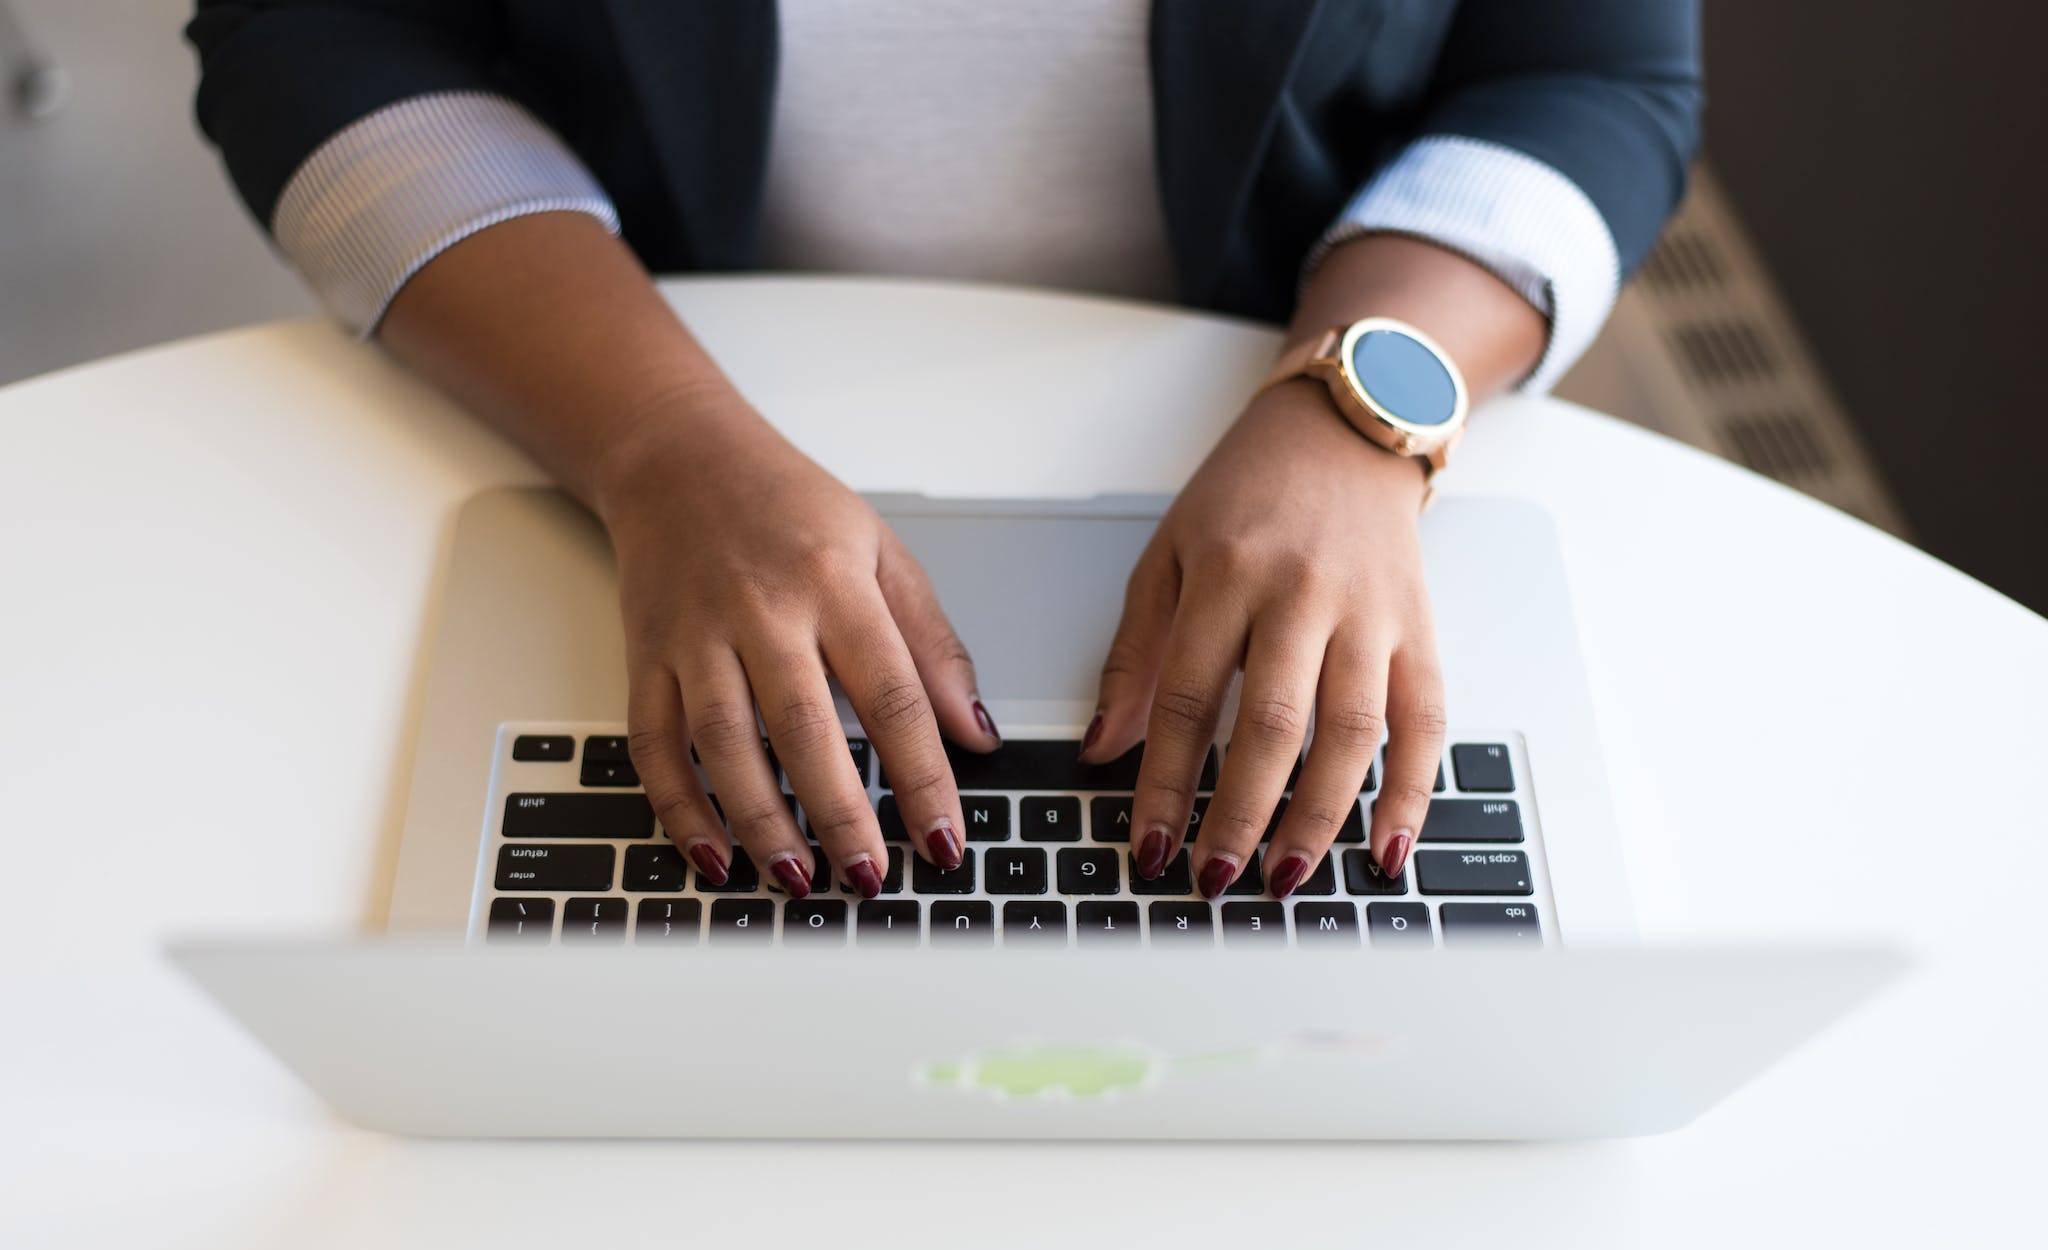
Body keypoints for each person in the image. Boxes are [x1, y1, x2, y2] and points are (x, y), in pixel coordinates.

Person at [186, 1, 1700, 904]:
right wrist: (655, 443)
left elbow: (1589, 66)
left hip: (1269, 367)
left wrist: (1360, 416)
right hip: (612, 340)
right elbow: (307, 29)